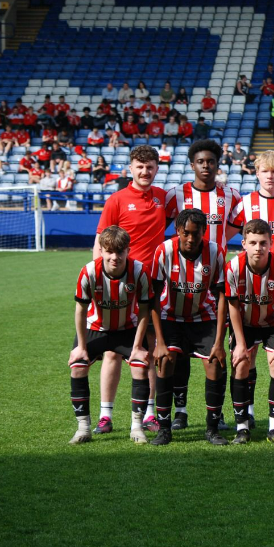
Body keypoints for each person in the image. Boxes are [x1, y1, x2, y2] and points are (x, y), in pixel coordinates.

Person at [93, 145, 166, 435]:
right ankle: (105, 416)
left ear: (156, 169)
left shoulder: (162, 198)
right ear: (131, 168)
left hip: (151, 285)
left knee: (147, 349)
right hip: (119, 286)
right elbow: (100, 243)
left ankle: (148, 413)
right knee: (112, 351)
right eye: (139, 166)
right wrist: (101, 283)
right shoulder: (117, 199)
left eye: (150, 166)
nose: (145, 171)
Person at [149, 209, 227, 446]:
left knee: (215, 364)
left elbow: (222, 296)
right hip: (171, 317)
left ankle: (212, 428)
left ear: (204, 232)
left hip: (204, 318)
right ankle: (164, 428)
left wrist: (220, 342)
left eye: (196, 233)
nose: (191, 239)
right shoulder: (164, 251)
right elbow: (152, 299)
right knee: (165, 362)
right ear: (178, 231)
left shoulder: (215, 252)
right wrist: (159, 343)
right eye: (186, 233)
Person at [68, 226, 153, 444]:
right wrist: (81, 346)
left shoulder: (139, 271)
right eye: (109, 252)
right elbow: (80, 311)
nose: (115, 257)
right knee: (78, 367)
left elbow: (144, 312)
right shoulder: (88, 272)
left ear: (128, 250)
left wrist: (137, 347)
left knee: (140, 365)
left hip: (127, 330)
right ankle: (83, 428)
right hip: (95, 329)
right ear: (101, 251)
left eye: (120, 251)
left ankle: (137, 427)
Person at [225, 219, 274, 445]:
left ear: (271, 243)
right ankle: (242, 427)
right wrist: (241, 344)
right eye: (253, 242)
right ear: (243, 243)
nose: (258, 248)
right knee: (241, 363)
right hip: (244, 322)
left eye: (263, 243)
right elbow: (232, 306)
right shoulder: (233, 267)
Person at [229, 150, 274, 259]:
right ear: (257, 173)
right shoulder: (245, 202)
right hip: (254, 271)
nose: (270, 176)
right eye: (265, 171)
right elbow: (223, 236)